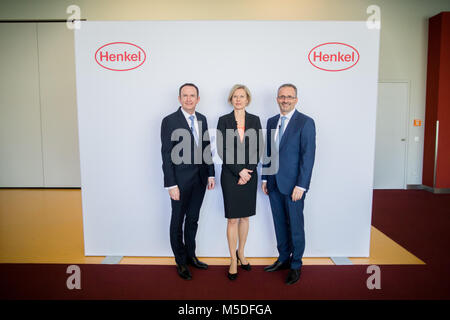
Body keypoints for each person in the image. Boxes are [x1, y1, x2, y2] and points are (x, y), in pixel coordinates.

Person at [261, 83, 316, 285]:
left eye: (289, 97)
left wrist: (301, 186)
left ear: (296, 99)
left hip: (294, 187)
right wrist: (265, 178)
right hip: (274, 184)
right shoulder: (271, 121)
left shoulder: (305, 122)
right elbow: (268, 152)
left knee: (295, 226)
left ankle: (296, 265)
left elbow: (307, 157)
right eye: (282, 96)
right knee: (279, 224)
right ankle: (283, 258)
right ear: (277, 99)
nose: (285, 100)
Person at [160, 83, 215, 280]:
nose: (189, 99)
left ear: (198, 99)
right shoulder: (169, 121)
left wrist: (210, 174)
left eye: (192, 96)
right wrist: (171, 184)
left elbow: (206, 147)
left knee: (193, 219)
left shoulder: (202, 119)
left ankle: (191, 256)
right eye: (185, 95)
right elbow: (166, 154)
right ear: (179, 98)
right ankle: (181, 262)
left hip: (200, 180)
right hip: (179, 183)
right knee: (177, 222)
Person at [216, 84, 262, 280]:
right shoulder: (223, 121)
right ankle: (232, 259)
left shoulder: (255, 120)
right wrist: (239, 171)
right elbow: (221, 149)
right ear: (231, 99)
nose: (238, 99)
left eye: (242, 96)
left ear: (247, 99)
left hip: (250, 175)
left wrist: (247, 172)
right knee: (233, 218)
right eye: (235, 96)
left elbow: (259, 148)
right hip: (230, 175)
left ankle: (241, 253)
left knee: (245, 218)